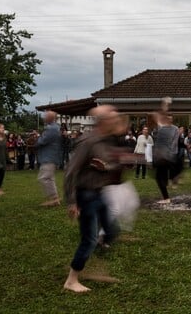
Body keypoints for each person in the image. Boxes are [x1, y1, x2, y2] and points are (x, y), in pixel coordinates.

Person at [63, 105, 124, 293]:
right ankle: (71, 280)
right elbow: (70, 172)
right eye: (114, 119)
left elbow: (111, 164)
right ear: (104, 122)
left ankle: (91, 255)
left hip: (99, 192)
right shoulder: (88, 142)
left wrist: (106, 167)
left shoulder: (106, 140)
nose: (117, 122)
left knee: (112, 230)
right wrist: (72, 201)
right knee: (89, 239)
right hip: (86, 194)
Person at [152, 106, 179, 204]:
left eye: (170, 118)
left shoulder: (175, 129)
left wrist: (171, 153)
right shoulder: (161, 127)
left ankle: (167, 196)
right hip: (161, 156)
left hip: (167, 156)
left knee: (160, 176)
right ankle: (173, 178)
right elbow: (156, 115)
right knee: (160, 175)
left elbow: (175, 142)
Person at [36, 111, 63, 206]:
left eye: (46, 116)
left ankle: (54, 198)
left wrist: (38, 138)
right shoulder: (55, 127)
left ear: (50, 118)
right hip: (51, 156)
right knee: (50, 178)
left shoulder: (51, 128)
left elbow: (42, 141)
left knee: (44, 178)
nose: (44, 118)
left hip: (49, 157)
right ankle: (54, 198)